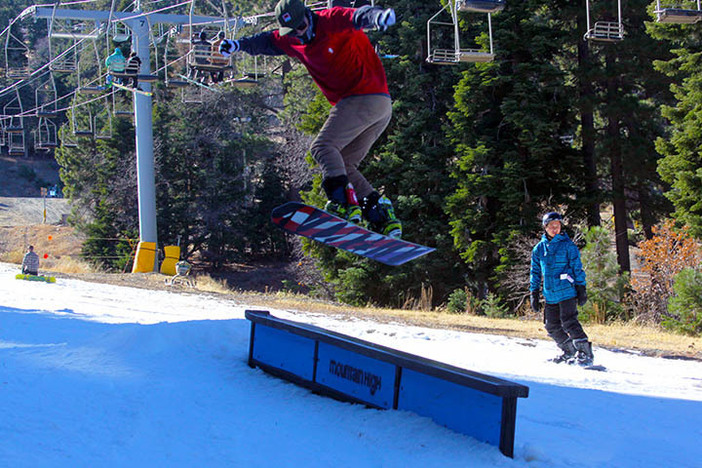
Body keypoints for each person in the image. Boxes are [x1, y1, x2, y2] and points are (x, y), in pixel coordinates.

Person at [218, 0, 402, 238]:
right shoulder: (292, 39)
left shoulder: (331, 19)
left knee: (323, 147)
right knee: (344, 164)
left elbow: (358, 16)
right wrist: (237, 45)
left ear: (308, 15)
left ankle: (344, 204)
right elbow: (266, 41)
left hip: (362, 97)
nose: (299, 33)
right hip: (377, 107)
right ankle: (381, 216)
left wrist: (377, 18)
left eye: (302, 26)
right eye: (292, 30)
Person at [530, 212, 594, 366]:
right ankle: (569, 351)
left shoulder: (568, 245)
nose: (554, 228)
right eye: (551, 226)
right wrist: (534, 293)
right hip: (550, 293)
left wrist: (581, 287)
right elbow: (535, 272)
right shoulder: (539, 249)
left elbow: (577, 267)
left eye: (557, 226)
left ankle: (585, 353)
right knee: (551, 325)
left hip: (567, 291)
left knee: (569, 322)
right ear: (545, 227)